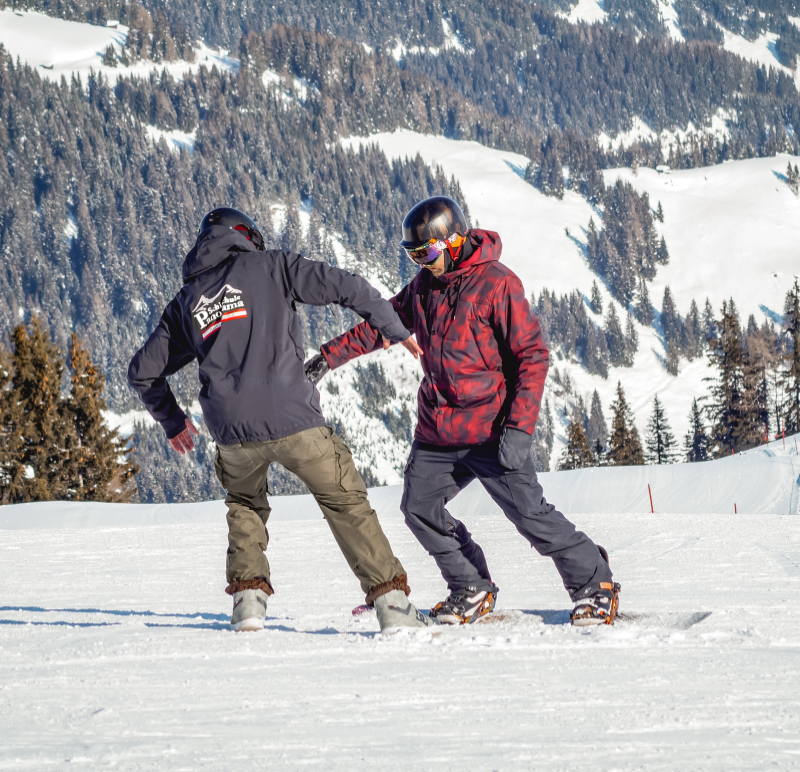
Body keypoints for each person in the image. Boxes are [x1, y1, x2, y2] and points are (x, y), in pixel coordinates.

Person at [305, 197, 620, 626]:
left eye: (426, 253)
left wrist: (520, 429)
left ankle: (594, 583)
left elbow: (532, 357)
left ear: (453, 242)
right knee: (419, 508)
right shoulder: (423, 288)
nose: (420, 262)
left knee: (530, 515)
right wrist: (327, 357)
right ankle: (470, 585)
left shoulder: (496, 284)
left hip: (493, 429)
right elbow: (383, 323)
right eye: (412, 254)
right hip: (439, 430)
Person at [128, 207, 435, 634]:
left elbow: (142, 371)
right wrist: (397, 329)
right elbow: (348, 287)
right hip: (294, 417)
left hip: (232, 433)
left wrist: (173, 421)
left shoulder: (188, 301)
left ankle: (248, 605)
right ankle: (393, 607)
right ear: (246, 236)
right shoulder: (275, 266)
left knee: (245, 505)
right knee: (345, 501)